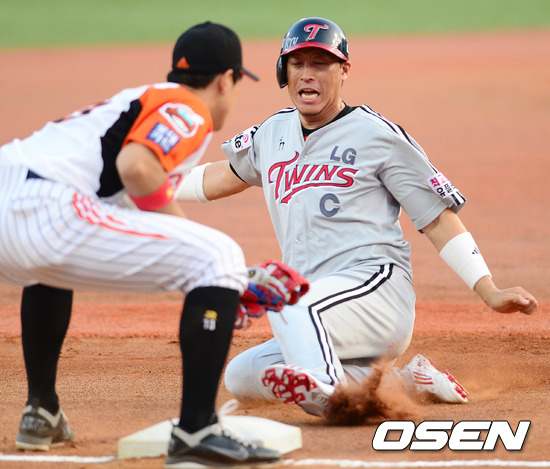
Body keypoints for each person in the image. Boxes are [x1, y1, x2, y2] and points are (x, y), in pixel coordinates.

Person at [173, 17, 539, 418]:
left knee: (289, 302)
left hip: (377, 294)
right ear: (283, 72)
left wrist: (489, 290)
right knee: (242, 375)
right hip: (317, 309)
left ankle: (331, 397)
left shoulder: (377, 136)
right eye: (297, 64)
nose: (307, 74)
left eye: (321, 63)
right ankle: (407, 381)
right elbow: (218, 177)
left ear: (344, 70)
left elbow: (437, 218)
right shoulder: (272, 134)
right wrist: (150, 183)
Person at [0, 22, 283, 468]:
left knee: (50, 266)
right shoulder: (188, 106)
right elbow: (137, 168)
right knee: (219, 256)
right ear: (226, 79)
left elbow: (125, 191)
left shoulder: (137, 100)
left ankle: (42, 410)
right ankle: (198, 430)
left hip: (15, 193)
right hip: (45, 205)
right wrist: (221, 277)